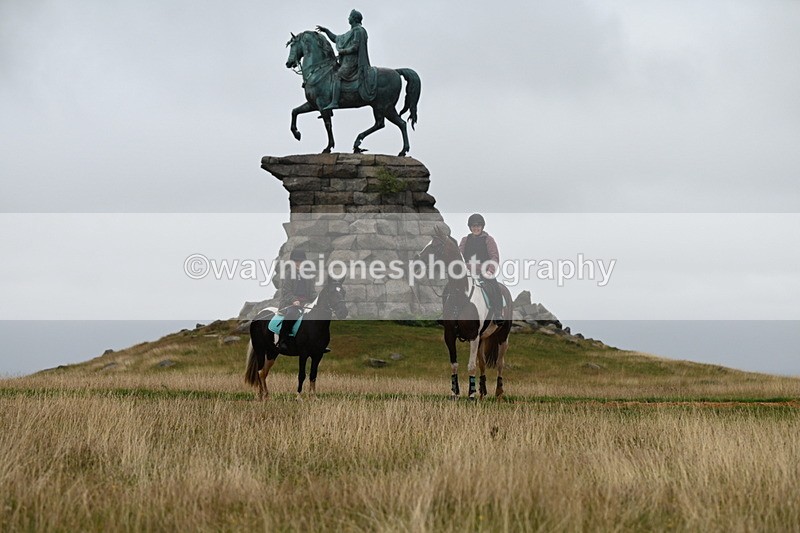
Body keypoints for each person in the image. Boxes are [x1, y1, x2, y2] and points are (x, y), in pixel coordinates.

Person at [316, 9, 376, 110]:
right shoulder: (351, 32)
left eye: (350, 16)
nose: (348, 18)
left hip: (353, 62)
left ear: (354, 19)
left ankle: (334, 102)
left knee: (337, 76)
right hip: (346, 61)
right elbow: (336, 38)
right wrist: (326, 31)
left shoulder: (359, 31)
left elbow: (355, 47)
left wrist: (343, 51)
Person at [459, 214, 505, 326]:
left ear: (482, 227)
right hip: (467, 272)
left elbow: (494, 257)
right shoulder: (465, 240)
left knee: (494, 288)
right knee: (453, 288)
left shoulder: (488, 240)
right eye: (473, 226)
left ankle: (498, 313)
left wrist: (490, 271)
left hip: (484, 272)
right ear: (470, 227)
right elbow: (459, 256)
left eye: (478, 225)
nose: (476, 228)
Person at [277, 249, 316, 352]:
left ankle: (318, 343)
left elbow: (312, 292)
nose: (298, 263)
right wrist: (294, 300)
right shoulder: (288, 274)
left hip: (305, 302)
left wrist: (317, 299)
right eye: (296, 261)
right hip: (291, 303)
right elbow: (286, 292)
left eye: (301, 261)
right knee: (291, 315)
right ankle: (282, 340)